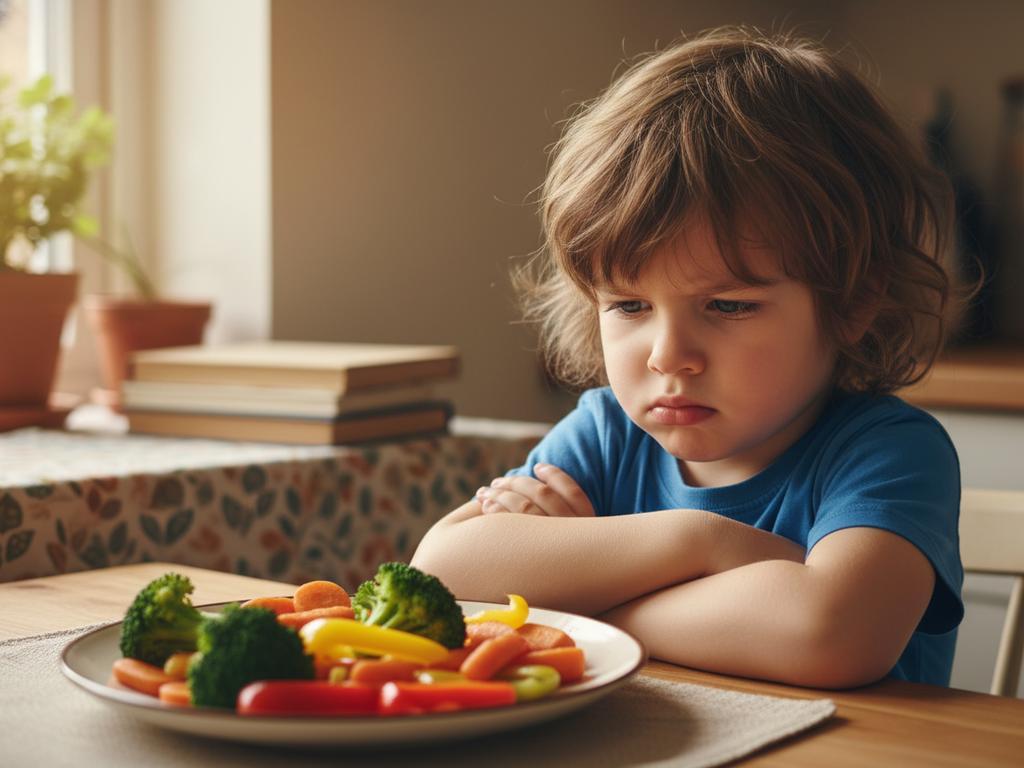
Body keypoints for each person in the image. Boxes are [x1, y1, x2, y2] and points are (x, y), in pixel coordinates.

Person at [411, 27, 965, 689]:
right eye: (628, 306)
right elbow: (443, 575)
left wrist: (591, 607)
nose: (669, 357)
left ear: (853, 303)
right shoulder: (610, 430)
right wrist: (704, 541)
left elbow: (828, 633)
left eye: (728, 307)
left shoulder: (889, 452)